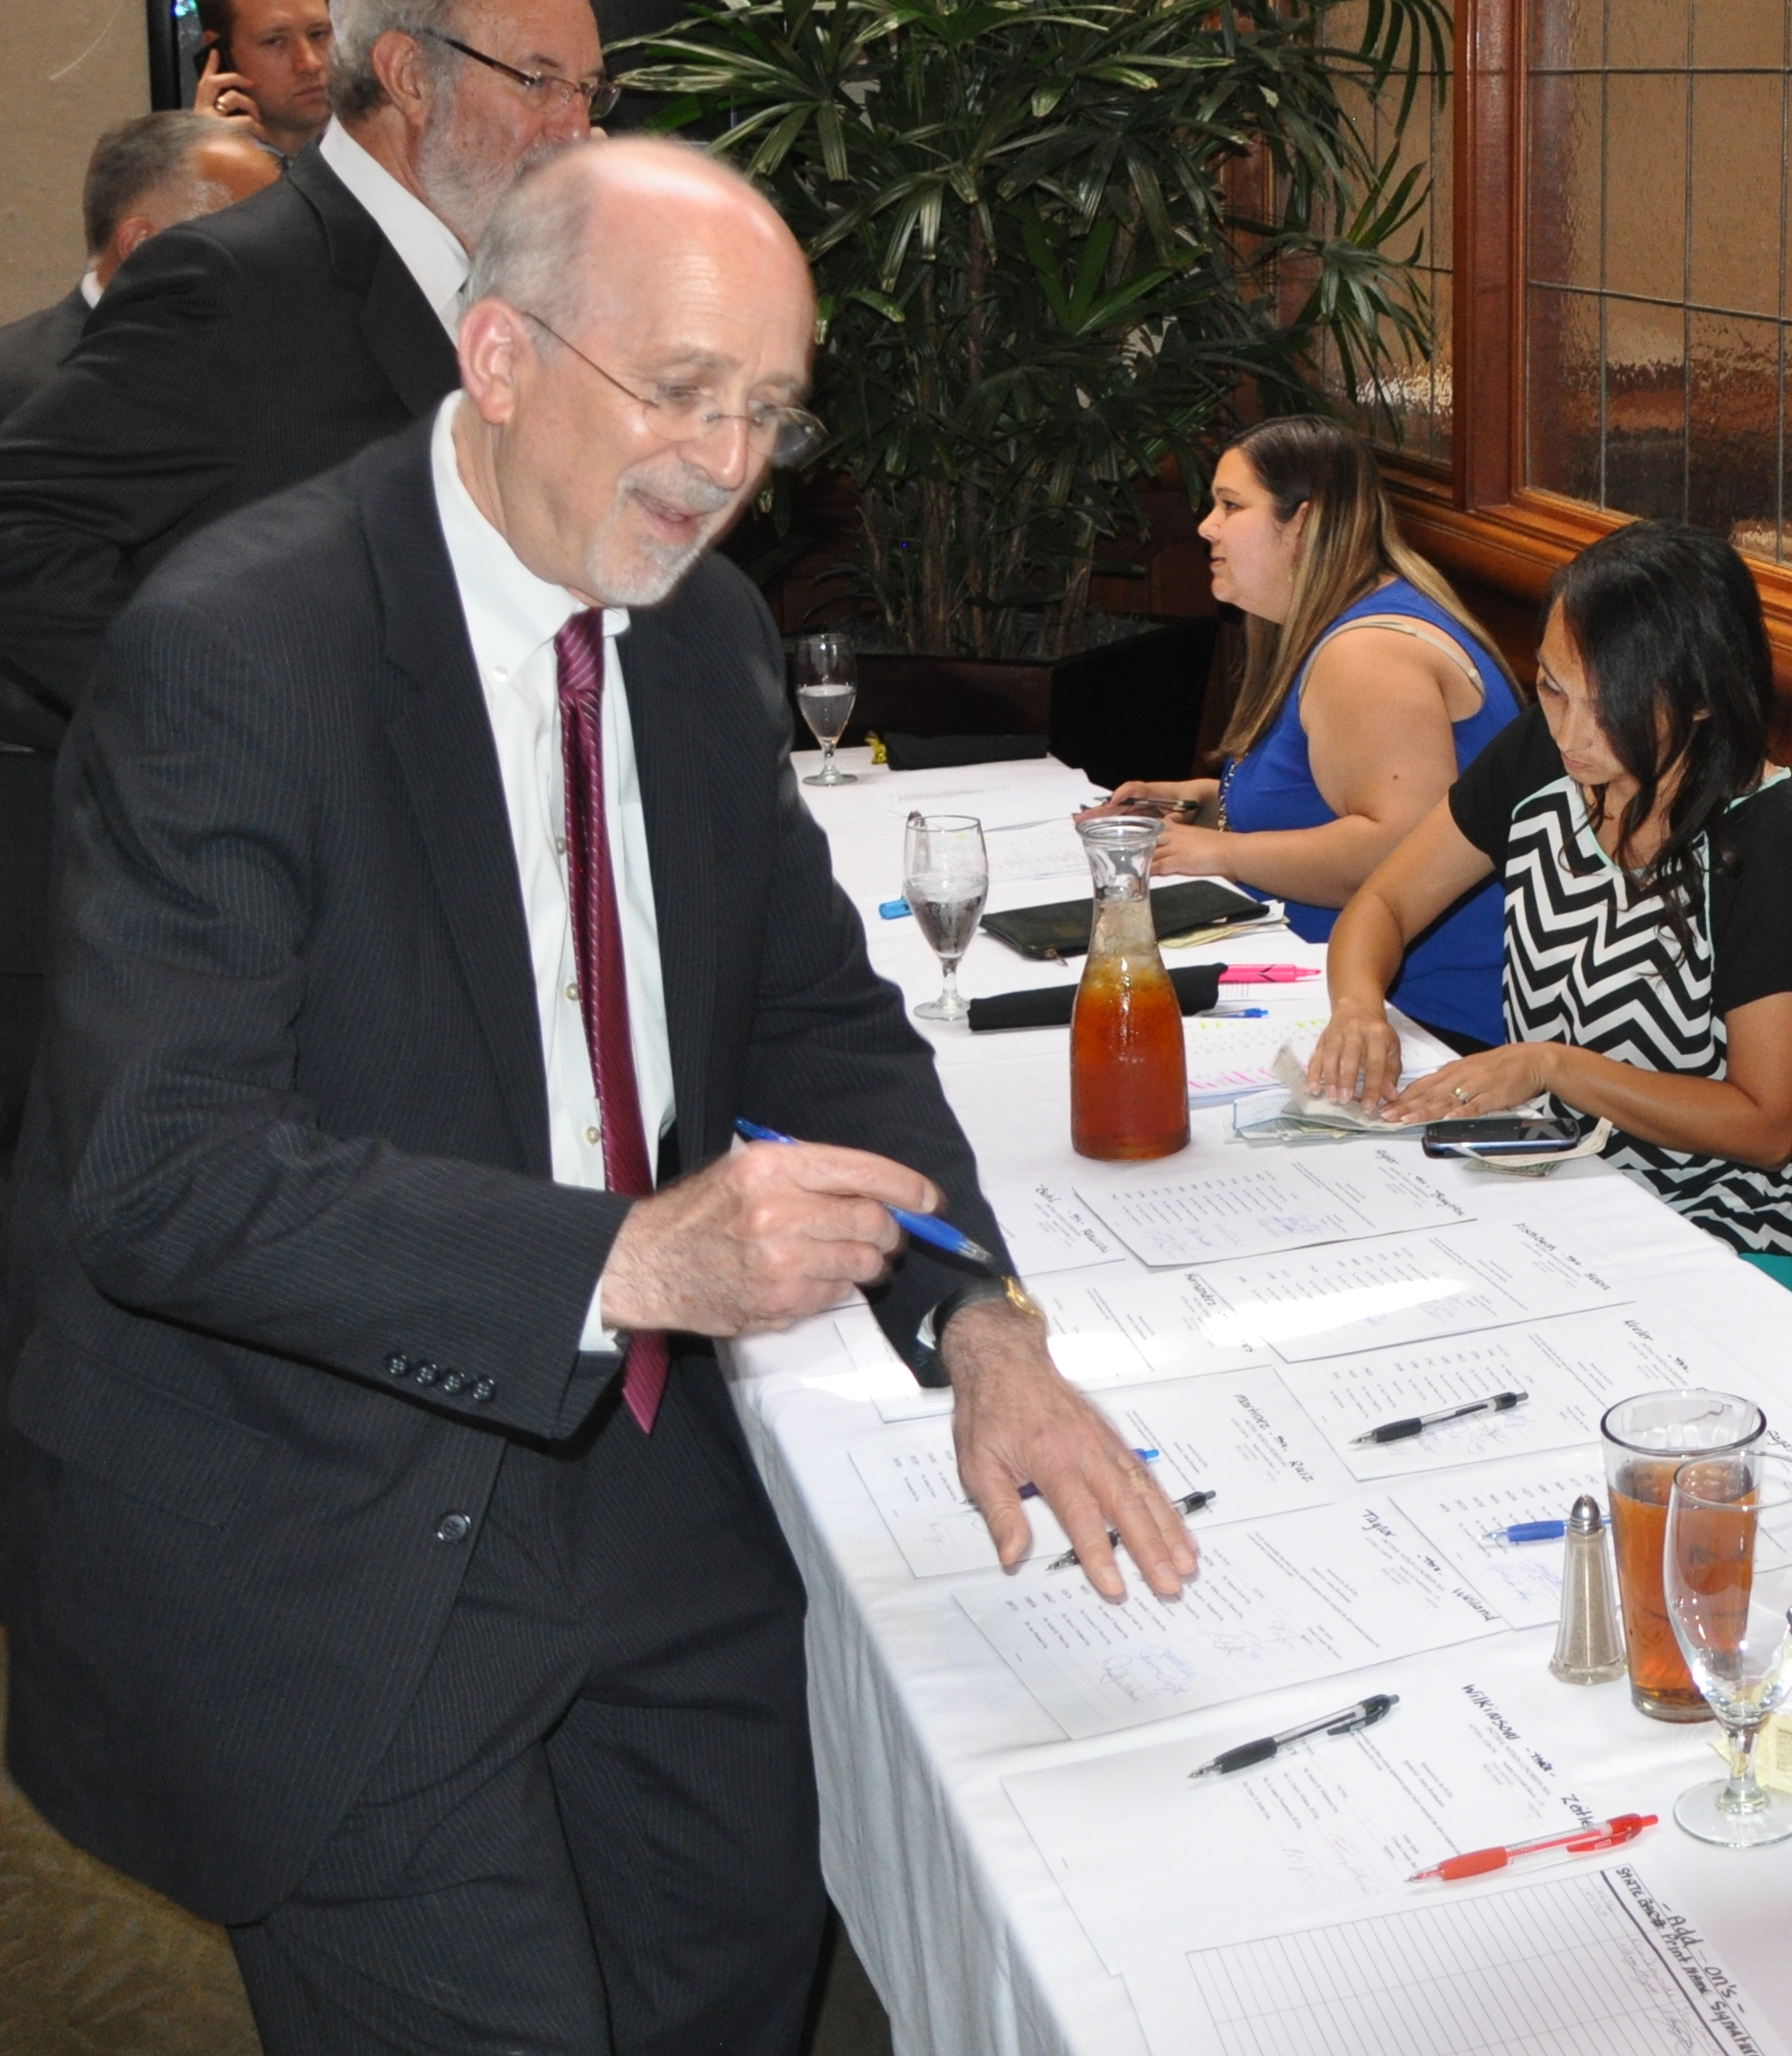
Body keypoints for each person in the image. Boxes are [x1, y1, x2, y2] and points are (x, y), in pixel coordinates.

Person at [0, 138, 1195, 2056]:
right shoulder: (241, 645)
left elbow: (813, 1017)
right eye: (683, 388)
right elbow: (160, 1171)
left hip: (630, 1467)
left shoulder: (700, 636)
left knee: (739, 1959)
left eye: (770, 413)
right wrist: (624, 1261)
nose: (725, 463)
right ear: (497, 354)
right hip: (318, 1502)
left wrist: (979, 1321)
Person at [0, 0, 606, 726]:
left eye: (587, 91)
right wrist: (237, 727)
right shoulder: (230, 283)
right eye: (538, 81)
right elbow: (21, 530)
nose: (573, 128)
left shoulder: (519, 291)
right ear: (409, 75)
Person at [1308, 521, 1792, 1298]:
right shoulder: (1542, 758)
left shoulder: (1760, 834)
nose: (1570, 732)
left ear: (1699, 700)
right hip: (1555, 1178)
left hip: (1721, 1224)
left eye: (1610, 707)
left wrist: (1551, 1066)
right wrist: (1358, 1008)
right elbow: (1384, 901)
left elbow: (1765, 1126)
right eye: (1552, 688)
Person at [0, 111, 279, 1152]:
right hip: (42, 861)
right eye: (251, 230)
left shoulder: (273, 378)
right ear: (148, 243)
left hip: (221, 853)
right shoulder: (16, 380)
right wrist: (189, 692)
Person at [1091, 415, 1521, 1044]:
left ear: (1303, 523)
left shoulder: (1367, 655)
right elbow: (1322, 797)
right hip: (1344, 994)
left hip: (1425, 1022)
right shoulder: (1334, 621)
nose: (1206, 526)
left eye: (1231, 505)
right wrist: (1200, 803)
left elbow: (1400, 850)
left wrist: (1216, 851)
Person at [0, 112, 284, 425]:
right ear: (141, 245)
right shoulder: (16, 384)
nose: (276, 255)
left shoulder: (291, 368)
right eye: (245, 231)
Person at [188, 0, 336, 156]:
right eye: (274, 41)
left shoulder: (383, 150)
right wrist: (204, 162)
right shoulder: (182, 168)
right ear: (218, 52)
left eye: (318, 34)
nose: (310, 63)